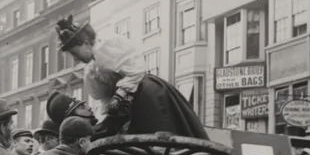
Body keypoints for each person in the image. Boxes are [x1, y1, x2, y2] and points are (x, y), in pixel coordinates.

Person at [55, 15, 208, 139]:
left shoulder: (106, 48)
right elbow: (105, 96)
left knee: (160, 131)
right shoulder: (92, 68)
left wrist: (121, 94)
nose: (75, 59)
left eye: (75, 53)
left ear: (86, 43)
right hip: (128, 102)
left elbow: (135, 69)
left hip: (146, 93)